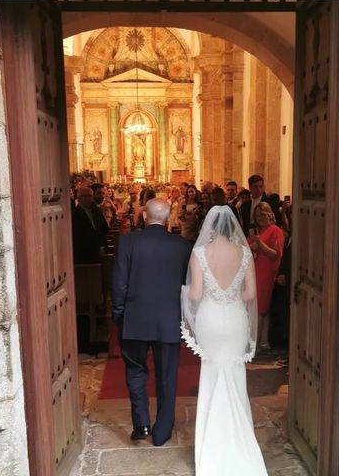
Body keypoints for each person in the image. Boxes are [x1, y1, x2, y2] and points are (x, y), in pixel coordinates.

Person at [180, 205, 268, 476]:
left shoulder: (198, 253)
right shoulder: (245, 253)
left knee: (212, 375)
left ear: (209, 226)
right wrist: (230, 296)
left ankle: (213, 447)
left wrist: (182, 293)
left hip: (210, 321)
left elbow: (195, 295)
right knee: (235, 375)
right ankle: (240, 441)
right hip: (235, 321)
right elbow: (250, 294)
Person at [112, 198, 192, 446]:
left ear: (144, 215)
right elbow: (187, 286)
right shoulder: (182, 246)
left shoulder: (128, 242)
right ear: (168, 218)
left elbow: (119, 282)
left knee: (135, 371)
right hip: (168, 320)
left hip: (135, 318)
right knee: (167, 375)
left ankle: (142, 424)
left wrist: (118, 313)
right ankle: (162, 431)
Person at [247, 202, 284, 351]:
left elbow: (276, 254)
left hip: (266, 271)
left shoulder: (275, 230)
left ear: (269, 214)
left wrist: (259, 244)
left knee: (260, 307)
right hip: (253, 270)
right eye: (257, 215)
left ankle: (253, 344)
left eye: (262, 214)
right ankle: (263, 341)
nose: (259, 217)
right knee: (262, 308)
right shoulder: (255, 232)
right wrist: (252, 248)